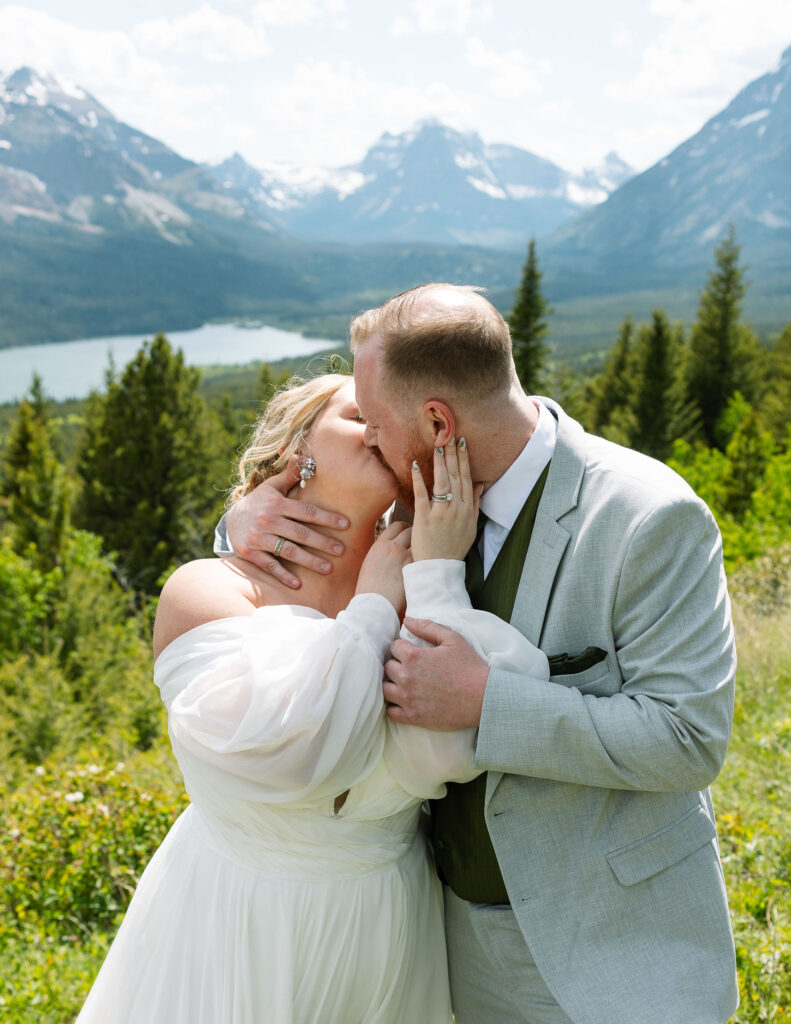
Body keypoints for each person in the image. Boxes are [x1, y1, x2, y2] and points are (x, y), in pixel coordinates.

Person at [222, 284, 739, 1024]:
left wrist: (485, 700)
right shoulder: (401, 503)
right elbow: (301, 559)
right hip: (448, 948)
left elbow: (686, 740)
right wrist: (235, 524)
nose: (368, 439)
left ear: (437, 420)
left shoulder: (646, 516)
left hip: (611, 951)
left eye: (374, 422)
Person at [76, 372, 550, 1024]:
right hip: (241, 921)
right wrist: (375, 606)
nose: (382, 429)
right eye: (360, 416)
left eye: (392, 419)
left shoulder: (435, 575)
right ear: (291, 449)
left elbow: (459, 741)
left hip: (387, 921)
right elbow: (292, 752)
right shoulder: (210, 590)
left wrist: (432, 580)